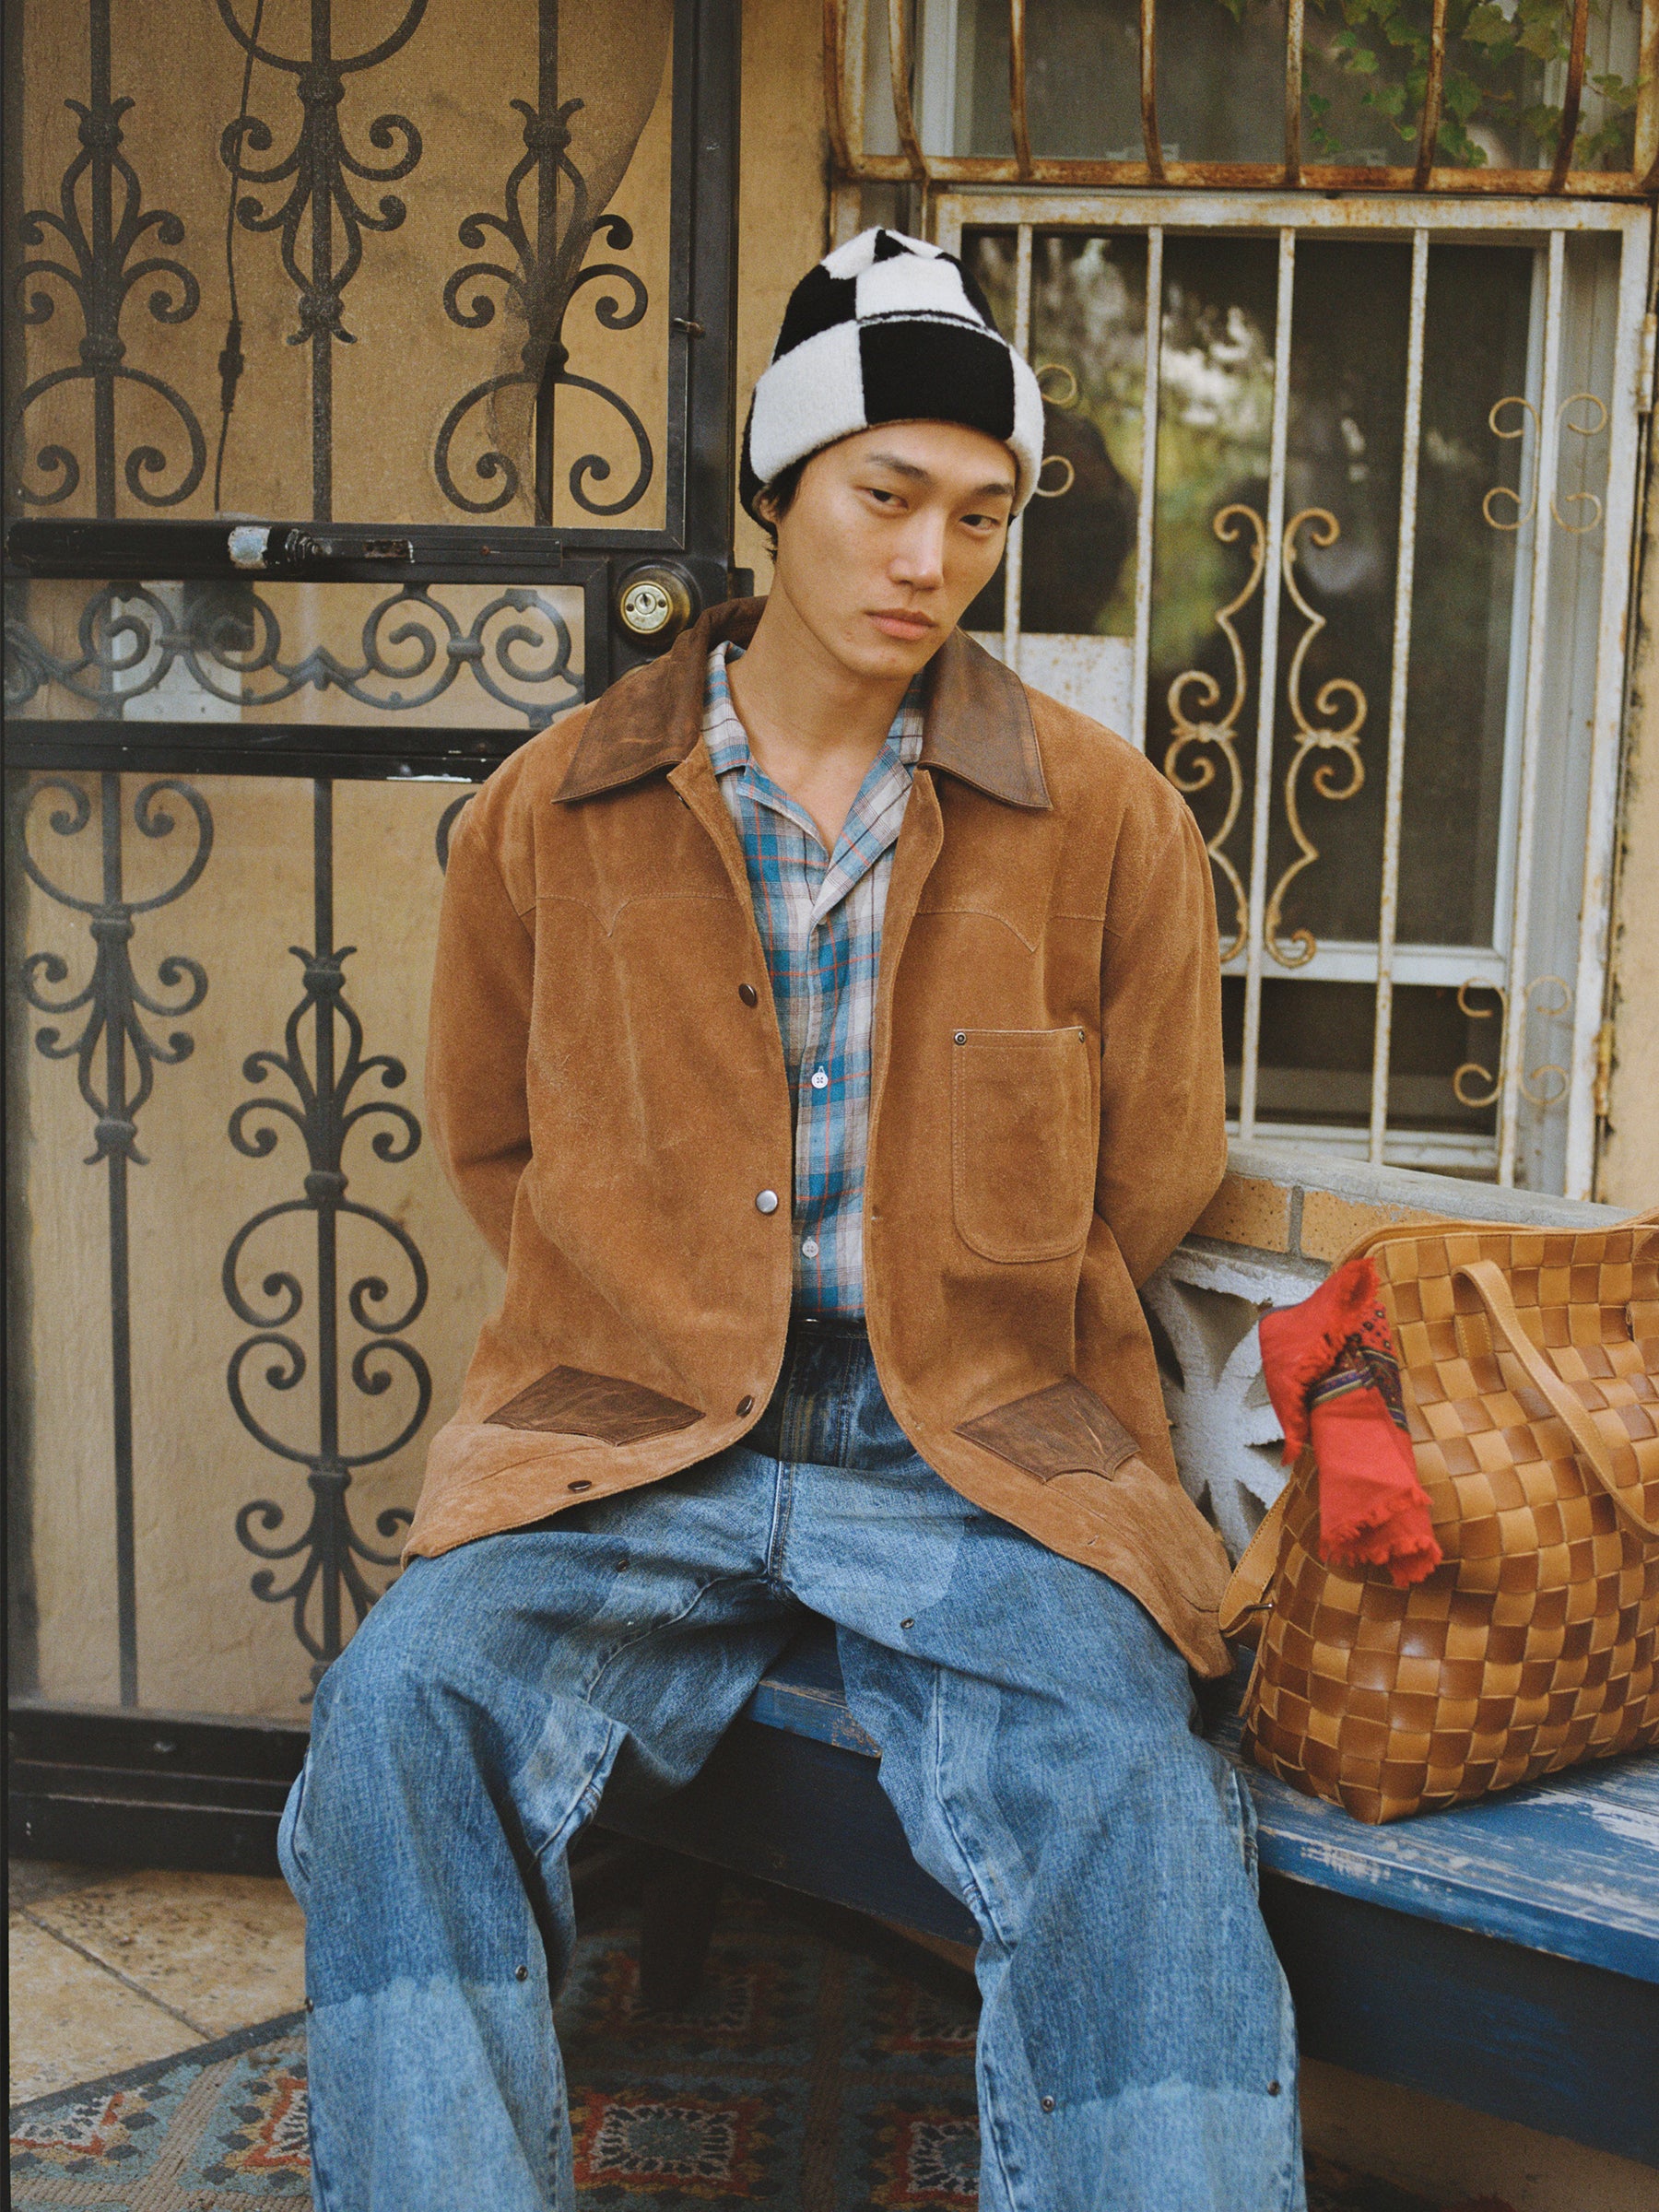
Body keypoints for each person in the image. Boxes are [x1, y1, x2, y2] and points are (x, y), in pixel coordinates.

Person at [279, 227, 1304, 2212]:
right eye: (887, 496)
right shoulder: (550, 814)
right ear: (778, 496)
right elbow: (496, 1145)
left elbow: (1155, 1164)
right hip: (630, 1436)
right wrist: (663, 1304)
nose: (932, 558)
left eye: (981, 514)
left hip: (984, 1458)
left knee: (1147, 1813)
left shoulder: (1106, 823)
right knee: (402, 1710)